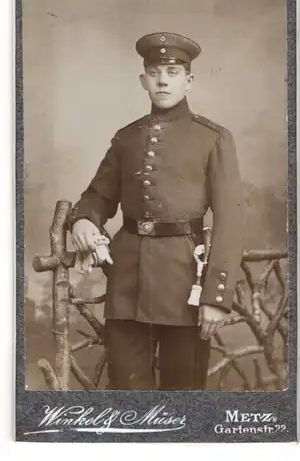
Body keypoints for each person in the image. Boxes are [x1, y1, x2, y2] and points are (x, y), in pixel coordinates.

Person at [69, 32, 244, 390]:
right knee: (128, 396)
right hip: (127, 284)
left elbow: (230, 221)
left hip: (185, 285)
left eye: (173, 71)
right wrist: (84, 219)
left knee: (183, 398)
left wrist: (217, 297)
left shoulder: (213, 138)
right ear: (143, 80)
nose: (163, 79)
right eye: (154, 71)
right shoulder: (126, 138)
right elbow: (98, 196)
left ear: (188, 80)